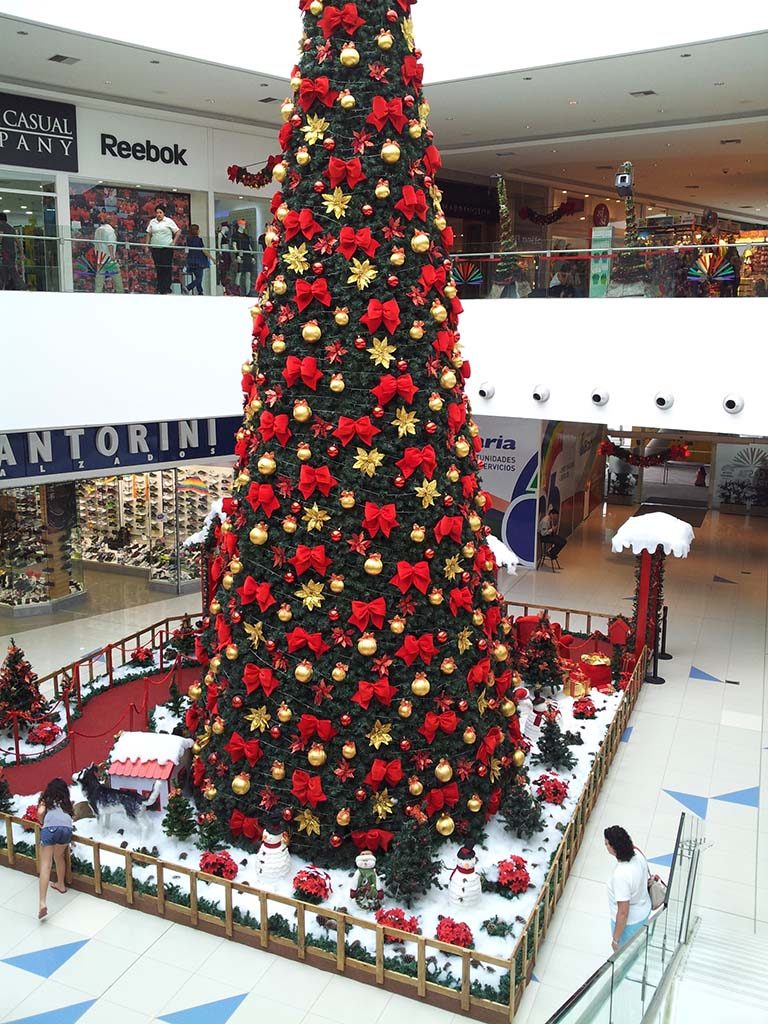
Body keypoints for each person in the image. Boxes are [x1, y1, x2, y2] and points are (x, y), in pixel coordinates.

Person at [604, 825, 652, 951]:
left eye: (607, 844)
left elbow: (623, 912)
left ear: (615, 848)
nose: (606, 846)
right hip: (644, 909)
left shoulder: (621, 876)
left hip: (629, 925)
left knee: (625, 956)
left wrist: (616, 939)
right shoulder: (638, 854)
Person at [37, 778, 74, 919]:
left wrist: (43, 823)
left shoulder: (47, 800)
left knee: (46, 865)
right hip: (66, 830)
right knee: (59, 856)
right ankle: (61, 884)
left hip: (50, 829)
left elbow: (40, 813)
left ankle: (42, 903)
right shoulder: (66, 804)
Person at [145, 204, 181, 294]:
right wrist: (146, 245)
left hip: (167, 248)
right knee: (158, 268)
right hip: (156, 248)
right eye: (157, 213)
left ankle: (166, 287)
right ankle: (160, 287)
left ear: (164, 213)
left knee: (166, 268)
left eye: (160, 212)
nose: (158, 214)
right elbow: (148, 234)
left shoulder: (169, 221)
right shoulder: (152, 222)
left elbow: (178, 231)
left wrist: (174, 242)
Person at [93, 211, 124, 294]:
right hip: (109, 258)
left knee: (99, 279)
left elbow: (95, 243)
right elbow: (110, 244)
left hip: (100, 257)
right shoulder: (110, 231)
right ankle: (121, 293)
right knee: (116, 277)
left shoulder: (98, 230)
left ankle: (97, 293)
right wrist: (113, 256)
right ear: (111, 222)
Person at [183, 224, 210, 295]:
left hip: (191, 261)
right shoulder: (199, 240)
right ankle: (188, 287)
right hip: (199, 261)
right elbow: (203, 250)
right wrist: (212, 258)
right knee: (199, 278)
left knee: (198, 277)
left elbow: (186, 250)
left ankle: (200, 291)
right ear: (197, 230)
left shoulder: (188, 240)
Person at [0, 212, 23, 290]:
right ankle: (5, 286)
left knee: (10, 270)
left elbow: (1, 237)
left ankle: (20, 286)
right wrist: (22, 253)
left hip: (5, 252)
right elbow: (17, 241)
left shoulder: (1, 226)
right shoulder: (11, 228)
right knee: (6, 269)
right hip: (12, 252)